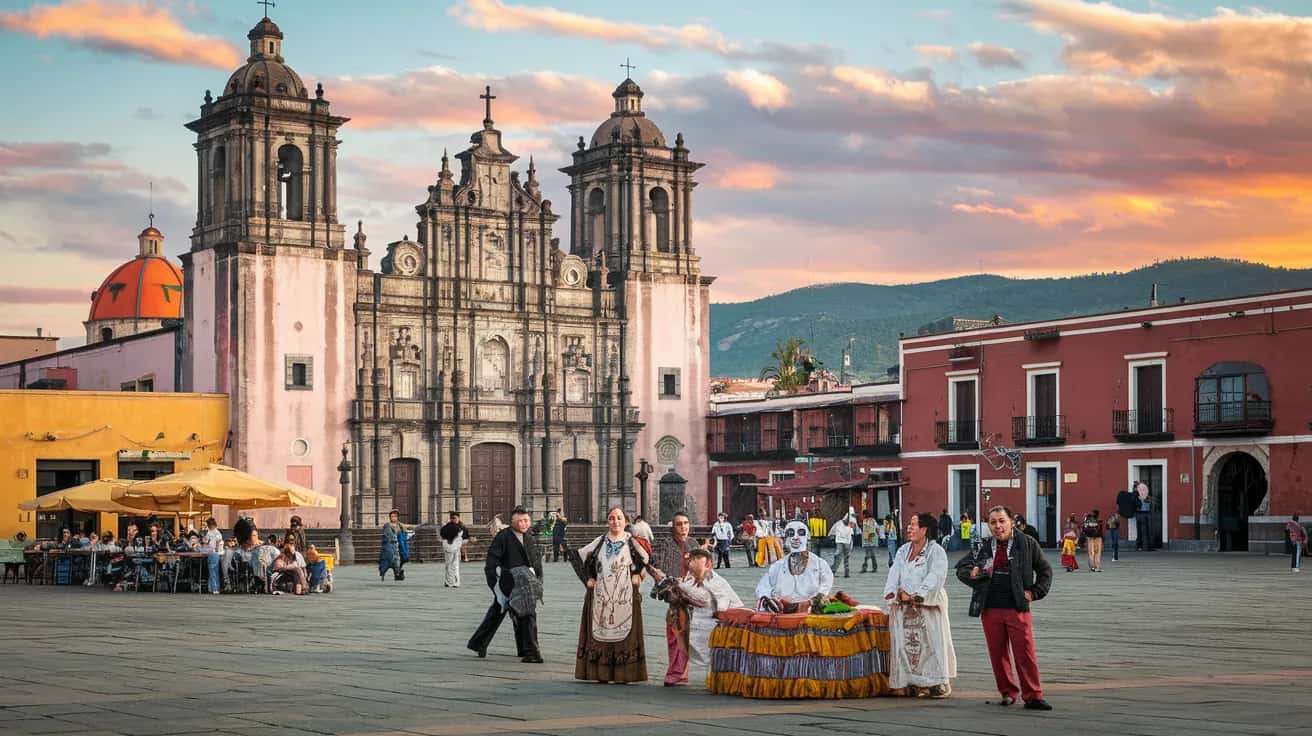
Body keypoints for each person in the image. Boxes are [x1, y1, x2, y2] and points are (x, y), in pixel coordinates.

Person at [956, 505, 1054, 711]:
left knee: (1025, 652)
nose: (998, 526)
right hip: (989, 607)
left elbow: (1045, 570)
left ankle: (1033, 695)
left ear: (1012, 521)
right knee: (997, 653)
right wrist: (973, 574)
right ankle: (1008, 692)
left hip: (1017, 606)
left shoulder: (1027, 543)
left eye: (1002, 521)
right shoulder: (981, 546)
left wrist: (1035, 592)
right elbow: (961, 568)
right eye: (993, 522)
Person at [569, 507, 649, 682]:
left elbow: (647, 561)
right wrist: (587, 579)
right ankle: (601, 674)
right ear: (607, 522)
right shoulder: (600, 542)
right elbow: (577, 556)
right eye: (612, 518)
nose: (616, 522)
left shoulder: (632, 542)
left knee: (625, 632)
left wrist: (638, 576)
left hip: (625, 595)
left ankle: (624, 674)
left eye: (619, 518)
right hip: (601, 595)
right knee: (601, 632)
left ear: (625, 521)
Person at [884, 512, 957, 698]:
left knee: (932, 644)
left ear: (924, 530)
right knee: (908, 646)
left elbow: (936, 575)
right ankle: (914, 682)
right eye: (909, 524)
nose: (909, 527)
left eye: (913, 524)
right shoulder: (903, 550)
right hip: (904, 606)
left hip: (927, 606)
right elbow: (894, 572)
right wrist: (894, 593)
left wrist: (919, 595)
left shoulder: (935, 551)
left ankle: (938, 682)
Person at [651, 547, 743, 687]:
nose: (692, 562)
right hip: (700, 620)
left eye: (696, 559)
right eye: (691, 559)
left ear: (708, 564)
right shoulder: (690, 577)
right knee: (675, 620)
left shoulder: (716, 582)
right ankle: (678, 672)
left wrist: (676, 586)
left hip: (724, 622)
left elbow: (706, 600)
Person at [468, 507, 545, 663]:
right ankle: (531, 651)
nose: (524, 524)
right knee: (525, 615)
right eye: (520, 521)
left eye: (526, 520)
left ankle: (479, 643)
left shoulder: (529, 537)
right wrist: (495, 585)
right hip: (509, 582)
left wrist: (539, 581)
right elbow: (491, 562)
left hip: (527, 583)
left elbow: (535, 561)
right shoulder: (503, 537)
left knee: (504, 614)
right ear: (512, 522)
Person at [651, 511, 702, 686]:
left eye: (686, 523)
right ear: (673, 526)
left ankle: (684, 672)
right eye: (679, 524)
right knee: (675, 636)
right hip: (675, 597)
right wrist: (665, 583)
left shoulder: (694, 544)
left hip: (694, 596)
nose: (683, 527)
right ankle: (675, 672)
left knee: (692, 637)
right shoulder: (665, 544)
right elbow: (655, 567)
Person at [755, 520, 834, 610]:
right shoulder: (777, 567)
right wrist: (767, 598)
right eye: (791, 533)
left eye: (801, 533)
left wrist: (819, 597)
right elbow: (763, 586)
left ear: (808, 537)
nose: (795, 537)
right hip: (782, 614)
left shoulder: (820, 564)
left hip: (811, 612)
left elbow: (826, 583)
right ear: (785, 539)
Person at [439, 512, 473, 587]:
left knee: (454, 565)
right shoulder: (450, 526)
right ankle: (449, 582)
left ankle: (454, 582)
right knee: (449, 565)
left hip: (455, 548)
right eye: (452, 518)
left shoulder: (461, 527)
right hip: (450, 548)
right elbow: (443, 535)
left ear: (458, 518)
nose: (454, 519)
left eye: (455, 518)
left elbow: (465, 537)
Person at [380, 509, 405, 582]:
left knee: (397, 560)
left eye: (395, 516)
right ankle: (383, 573)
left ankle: (397, 574)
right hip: (388, 545)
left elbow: (406, 529)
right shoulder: (387, 525)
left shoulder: (399, 525)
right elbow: (388, 535)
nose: (393, 518)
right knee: (389, 559)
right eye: (392, 516)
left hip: (396, 545)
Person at [1135, 480, 1154, 551]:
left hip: (1147, 513)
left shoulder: (1147, 496)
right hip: (1140, 513)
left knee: (1148, 530)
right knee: (1141, 530)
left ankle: (1148, 546)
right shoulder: (1136, 495)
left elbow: (1149, 502)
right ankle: (1140, 546)